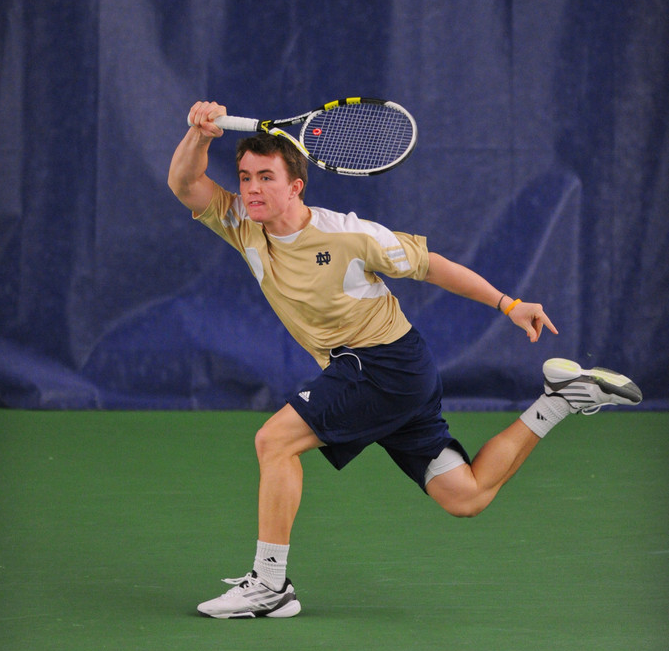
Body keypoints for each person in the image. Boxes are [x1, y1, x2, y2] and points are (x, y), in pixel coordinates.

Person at [168, 100, 642, 619]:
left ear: (296, 186)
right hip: (396, 374)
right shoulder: (243, 223)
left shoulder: (349, 235)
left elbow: (433, 267)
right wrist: (200, 135)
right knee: (465, 495)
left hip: (382, 365)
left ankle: (271, 584)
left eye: (265, 177)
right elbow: (186, 184)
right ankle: (560, 401)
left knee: (274, 441)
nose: (251, 188)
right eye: (244, 177)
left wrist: (509, 304)